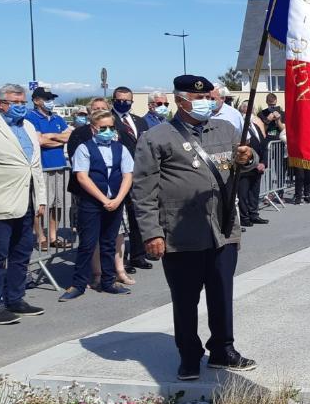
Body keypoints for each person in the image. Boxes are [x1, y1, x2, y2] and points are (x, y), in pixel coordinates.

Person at [132, 74, 258, 380]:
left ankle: (222, 349)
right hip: (180, 232)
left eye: (208, 97)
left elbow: (245, 164)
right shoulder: (157, 137)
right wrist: (151, 233)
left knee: (222, 293)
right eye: (198, 98)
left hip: (223, 228)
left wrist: (248, 157)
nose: (205, 102)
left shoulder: (226, 129)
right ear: (181, 100)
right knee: (186, 298)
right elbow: (143, 190)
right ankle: (189, 354)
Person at [58, 110, 134, 301]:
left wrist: (118, 199)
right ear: (93, 128)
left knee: (109, 243)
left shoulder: (120, 148)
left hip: (115, 202)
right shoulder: (84, 148)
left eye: (111, 127)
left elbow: (127, 175)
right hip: (92, 203)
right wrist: (103, 199)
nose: (107, 131)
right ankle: (78, 284)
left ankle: (109, 281)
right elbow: (82, 177)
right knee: (88, 244)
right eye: (103, 128)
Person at [0, 84, 46, 324]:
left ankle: (15, 298)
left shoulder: (29, 126)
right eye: (17, 102)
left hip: (27, 203)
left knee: (21, 253)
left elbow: (36, 166)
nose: (22, 107)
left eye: (23, 102)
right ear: (1, 104)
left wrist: (41, 198)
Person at [26, 87, 72, 250]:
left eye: (51, 98)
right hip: (42, 168)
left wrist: (51, 136)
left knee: (58, 204)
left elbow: (70, 136)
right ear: (36, 100)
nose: (50, 102)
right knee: (40, 205)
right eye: (46, 99)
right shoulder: (30, 117)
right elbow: (39, 141)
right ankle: (41, 236)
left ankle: (53, 236)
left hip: (59, 167)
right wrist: (59, 140)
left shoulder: (57, 118)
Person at [111, 86, 151, 271]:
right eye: (120, 100)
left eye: (127, 100)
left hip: (140, 175)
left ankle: (138, 255)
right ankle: (119, 259)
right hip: (119, 175)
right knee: (120, 219)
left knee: (138, 216)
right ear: (114, 100)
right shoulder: (108, 121)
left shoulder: (139, 121)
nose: (124, 103)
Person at [236, 102, 269, 227]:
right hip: (246, 167)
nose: (247, 112)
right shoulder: (240, 128)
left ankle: (254, 214)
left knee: (254, 192)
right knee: (243, 193)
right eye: (244, 110)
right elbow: (242, 148)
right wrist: (253, 163)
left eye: (249, 110)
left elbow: (263, 145)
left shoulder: (255, 126)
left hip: (258, 166)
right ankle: (245, 217)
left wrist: (263, 162)